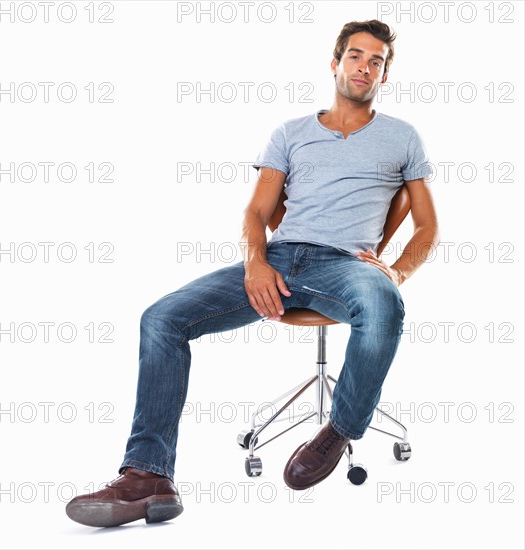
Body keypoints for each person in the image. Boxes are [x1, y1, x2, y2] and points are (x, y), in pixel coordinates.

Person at [66, 19, 439, 528]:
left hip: (346, 267)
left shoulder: (402, 137)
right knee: (161, 318)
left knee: (383, 303)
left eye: (376, 61)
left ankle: (340, 429)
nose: (364, 67)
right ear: (335, 64)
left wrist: (395, 273)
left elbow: (428, 226)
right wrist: (256, 262)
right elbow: (256, 213)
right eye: (355, 56)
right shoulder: (290, 133)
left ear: (385, 75)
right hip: (281, 260)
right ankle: (149, 474)